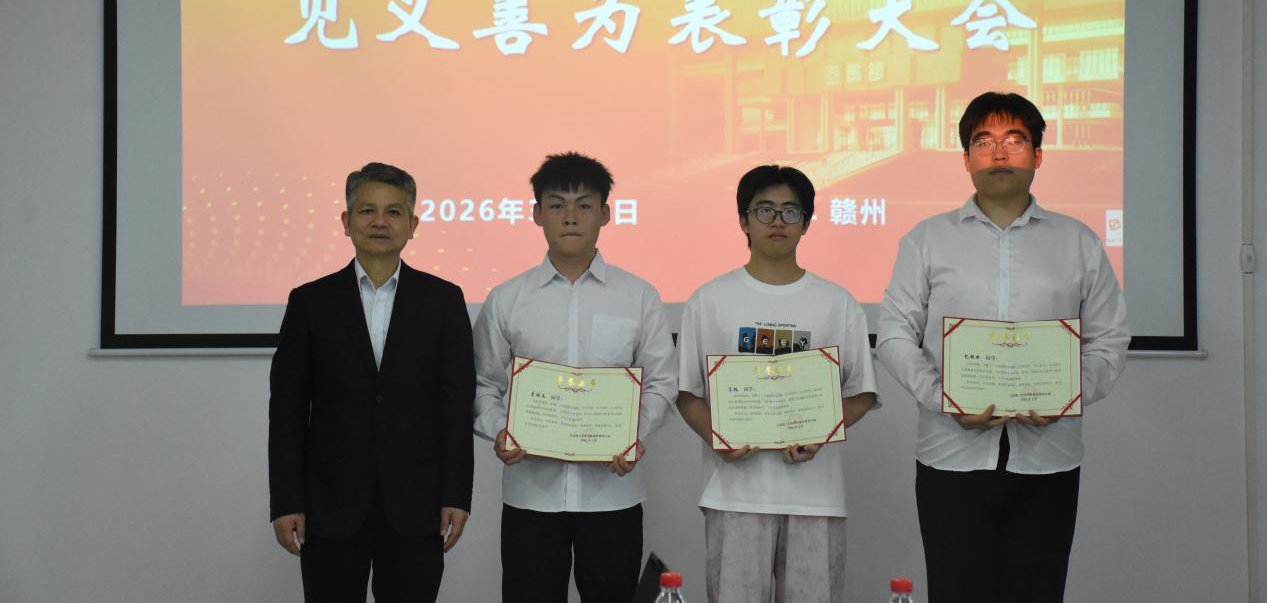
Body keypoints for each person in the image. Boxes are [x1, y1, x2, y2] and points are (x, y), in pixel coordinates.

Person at [874, 92, 1129, 603]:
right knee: (957, 590)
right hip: (950, 456)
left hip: (1049, 459)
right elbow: (895, 333)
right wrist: (943, 397)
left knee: (1037, 591)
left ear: (1038, 155)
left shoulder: (1078, 242)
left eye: (1015, 139)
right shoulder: (926, 240)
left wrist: (1068, 394)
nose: (999, 152)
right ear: (966, 158)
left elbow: (1109, 338)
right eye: (983, 141)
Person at [471, 152, 677, 602]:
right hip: (531, 495)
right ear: (536, 214)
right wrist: (500, 430)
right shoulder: (506, 299)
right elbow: (484, 383)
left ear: (605, 214)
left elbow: (661, 383)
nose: (570, 217)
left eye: (584, 205)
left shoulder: (639, 296)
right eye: (557, 205)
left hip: (613, 495)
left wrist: (633, 434)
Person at [268, 162, 475, 602]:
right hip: (330, 505)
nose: (380, 221)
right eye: (367, 211)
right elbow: (287, 412)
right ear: (346, 222)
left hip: (416, 506)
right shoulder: (310, 302)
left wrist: (457, 494)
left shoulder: (443, 300)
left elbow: (455, 407)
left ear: (412, 225)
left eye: (393, 212)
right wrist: (286, 501)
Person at [676, 164, 878, 603]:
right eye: (764, 210)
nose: (777, 221)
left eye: (790, 211)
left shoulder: (837, 302)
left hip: (816, 495)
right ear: (743, 220)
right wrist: (718, 438)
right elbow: (688, 394)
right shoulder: (709, 300)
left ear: (806, 222)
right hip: (734, 493)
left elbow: (862, 393)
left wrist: (821, 432)